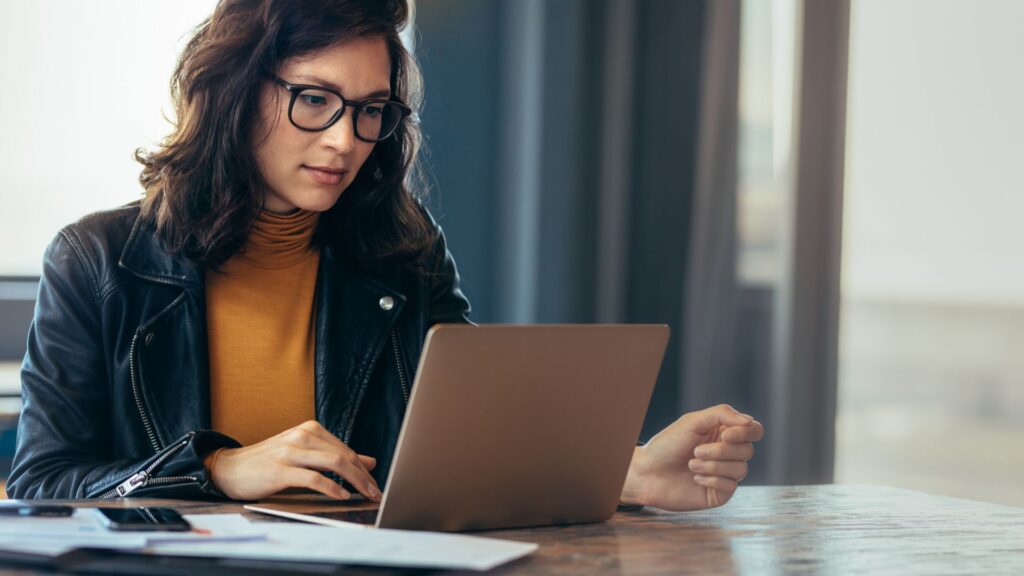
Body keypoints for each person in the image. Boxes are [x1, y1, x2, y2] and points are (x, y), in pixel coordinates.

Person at [7, 0, 763, 512]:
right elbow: (41, 485)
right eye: (314, 99)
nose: (345, 139)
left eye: (371, 110)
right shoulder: (99, 261)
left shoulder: (401, 248)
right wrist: (215, 470)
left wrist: (625, 472)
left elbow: (471, 443)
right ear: (235, 90)